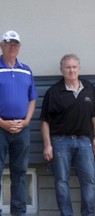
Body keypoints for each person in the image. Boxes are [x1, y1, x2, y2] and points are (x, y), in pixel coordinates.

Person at [40, 54, 95, 216]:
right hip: (60, 142)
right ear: (61, 70)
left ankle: (87, 213)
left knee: (89, 180)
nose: (71, 70)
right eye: (68, 67)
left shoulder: (89, 88)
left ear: (79, 68)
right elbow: (45, 121)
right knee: (61, 182)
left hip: (85, 142)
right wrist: (47, 145)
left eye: (74, 67)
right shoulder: (53, 92)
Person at [0, 30, 38, 216]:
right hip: (0, 128)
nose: (12, 46)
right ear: (1, 45)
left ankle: (19, 213)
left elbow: (32, 99)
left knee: (20, 173)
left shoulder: (26, 69)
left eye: (15, 43)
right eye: (8, 43)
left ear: (19, 47)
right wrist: (2, 123)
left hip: (22, 129)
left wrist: (26, 121)